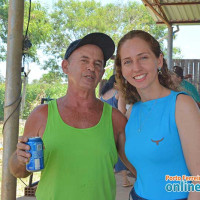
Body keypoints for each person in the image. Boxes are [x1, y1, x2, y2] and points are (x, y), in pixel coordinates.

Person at [9, 32, 136, 200]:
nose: (92, 67)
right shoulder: (42, 115)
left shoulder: (115, 119)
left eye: (98, 64)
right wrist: (20, 158)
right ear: (65, 66)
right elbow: (19, 171)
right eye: (84, 60)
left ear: (102, 73)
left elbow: (138, 167)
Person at [115, 30, 200, 200]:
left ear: (159, 60)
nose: (136, 67)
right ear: (122, 70)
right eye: (128, 61)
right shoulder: (133, 112)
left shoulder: (181, 105)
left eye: (143, 57)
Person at [100, 74, 133, 187]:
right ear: (115, 84)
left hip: (103, 127)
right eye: (122, 82)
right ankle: (125, 179)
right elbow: (121, 111)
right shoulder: (119, 93)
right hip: (116, 126)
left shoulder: (103, 95)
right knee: (122, 151)